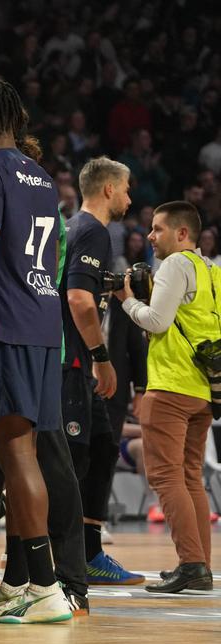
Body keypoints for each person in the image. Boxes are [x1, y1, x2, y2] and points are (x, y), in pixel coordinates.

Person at [0, 79, 73, 624]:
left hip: (5, 323)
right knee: (17, 453)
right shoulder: (41, 175)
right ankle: (21, 580)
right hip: (43, 324)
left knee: (17, 453)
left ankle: (44, 587)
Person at [114, 201, 219, 593]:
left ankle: (191, 564)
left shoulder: (175, 265)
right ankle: (200, 567)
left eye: (158, 229)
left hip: (170, 386)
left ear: (182, 234)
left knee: (165, 476)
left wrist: (127, 300)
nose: (150, 236)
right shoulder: (213, 271)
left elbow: (156, 321)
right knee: (191, 476)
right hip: (203, 389)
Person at [60, 157, 145, 585]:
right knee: (69, 460)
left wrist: (112, 285)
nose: (130, 199)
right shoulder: (94, 230)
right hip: (71, 361)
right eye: (127, 189)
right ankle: (62, 558)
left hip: (70, 360)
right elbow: (77, 299)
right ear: (109, 189)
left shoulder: (72, 227)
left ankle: (89, 553)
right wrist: (101, 356)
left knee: (103, 446)